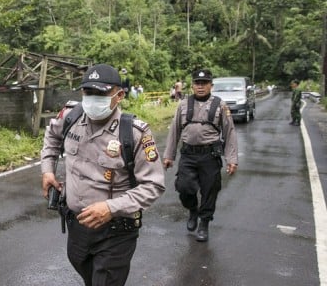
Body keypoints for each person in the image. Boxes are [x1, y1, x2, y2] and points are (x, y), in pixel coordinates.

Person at [41, 64, 165, 285]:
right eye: (89, 92)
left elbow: (153, 186)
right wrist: (48, 170)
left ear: (119, 96)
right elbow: (51, 137)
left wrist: (110, 208)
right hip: (76, 226)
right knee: (87, 275)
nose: (93, 98)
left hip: (115, 233)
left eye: (101, 93)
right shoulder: (71, 115)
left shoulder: (135, 133)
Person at [162, 69, 238, 242]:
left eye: (204, 83)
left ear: (211, 85)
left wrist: (231, 159)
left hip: (210, 156)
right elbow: (174, 131)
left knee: (209, 190)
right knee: (184, 187)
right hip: (188, 154)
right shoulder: (183, 104)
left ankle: (204, 223)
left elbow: (229, 132)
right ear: (192, 85)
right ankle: (192, 210)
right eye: (197, 83)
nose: (201, 86)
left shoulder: (220, 105)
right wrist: (169, 155)